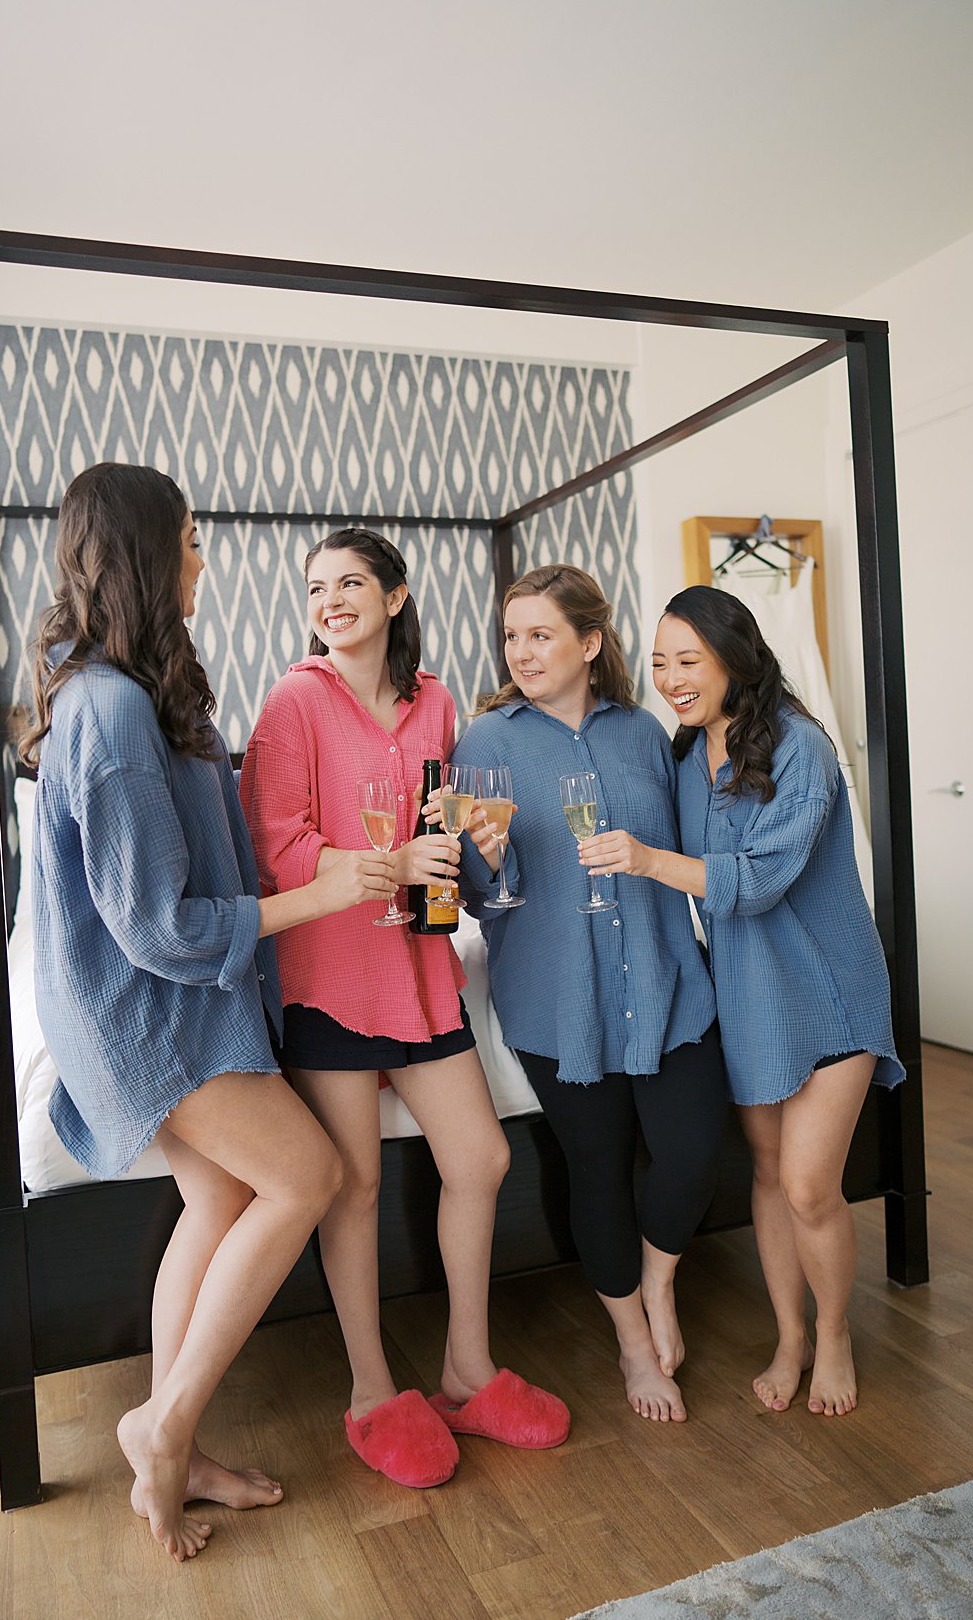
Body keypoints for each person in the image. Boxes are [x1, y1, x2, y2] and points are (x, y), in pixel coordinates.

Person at [24, 463, 391, 1559]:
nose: (202, 557)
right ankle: (165, 1422)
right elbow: (158, 927)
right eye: (188, 539)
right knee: (310, 1174)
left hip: (161, 1000)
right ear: (144, 552)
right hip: (145, 1011)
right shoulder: (108, 709)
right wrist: (315, 893)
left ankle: (175, 1440)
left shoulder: (130, 691)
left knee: (223, 1195)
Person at [238, 527, 567, 1486]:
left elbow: (443, 835)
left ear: (396, 595)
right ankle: (373, 1390)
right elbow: (276, 847)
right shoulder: (295, 702)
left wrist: (472, 851)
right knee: (357, 1187)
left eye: (350, 583)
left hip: (421, 970)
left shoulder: (437, 704)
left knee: (484, 1156)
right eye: (315, 588)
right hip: (329, 978)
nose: (331, 600)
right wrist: (384, 863)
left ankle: (467, 1371)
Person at [601, 585, 903, 1417]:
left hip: (831, 988)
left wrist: (650, 861)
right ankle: (790, 1336)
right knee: (768, 1176)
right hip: (746, 993)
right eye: (659, 663)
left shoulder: (801, 746)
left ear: (736, 656)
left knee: (809, 1186)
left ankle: (834, 1334)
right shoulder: (680, 755)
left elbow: (762, 878)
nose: (670, 678)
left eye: (687, 661)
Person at [451, 564, 728, 1423]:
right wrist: (491, 860)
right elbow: (470, 895)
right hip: (555, 993)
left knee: (691, 1153)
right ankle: (634, 1347)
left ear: (589, 642)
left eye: (540, 634)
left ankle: (659, 1283)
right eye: (510, 637)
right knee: (598, 1168)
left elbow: (689, 846)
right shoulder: (487, 742)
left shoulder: (646, 732)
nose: (522, 652)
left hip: (664, 975)